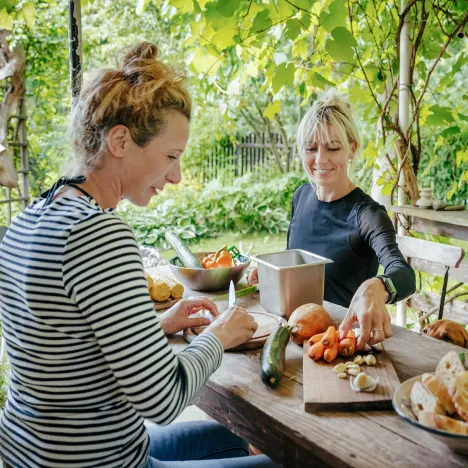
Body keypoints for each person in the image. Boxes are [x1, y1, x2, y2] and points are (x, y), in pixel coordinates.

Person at [0, 42, 278, 468]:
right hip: (96, 462)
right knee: (284, 459)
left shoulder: (30, 219)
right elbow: (164, 400)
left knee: (236, 438)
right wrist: (218, 335)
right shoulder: (100, 235)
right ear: (120, 140)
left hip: (31, 452)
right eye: (171, 156)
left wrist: (156, 324)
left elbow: (68, 343)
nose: (177, 175)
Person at [249, 93, 416, 350]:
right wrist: (274, 274)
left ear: (353, 148)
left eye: (333, 148)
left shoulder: (368, 215)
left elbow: (404, 275)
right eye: (311, 148)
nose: (320, 159)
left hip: (339, 344)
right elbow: (298, 261)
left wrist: (380, 285)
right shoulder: (301, 197)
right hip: (291, 335)